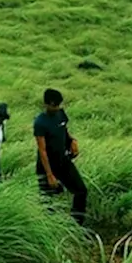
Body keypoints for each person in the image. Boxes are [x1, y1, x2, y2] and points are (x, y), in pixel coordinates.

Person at [34, 88, 87, 226]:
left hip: (63, 161)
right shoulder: (40, 122)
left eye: (58, 105)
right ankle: (50, 230)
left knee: (81, 191)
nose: (56, 108)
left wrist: (72, 141)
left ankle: (77, 225)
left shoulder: (61, 114)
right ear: (46, 104)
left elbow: (64, 130)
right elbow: (42, 150)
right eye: (53, 105)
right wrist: (49, 175)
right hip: (47, 166)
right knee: (49, 203)